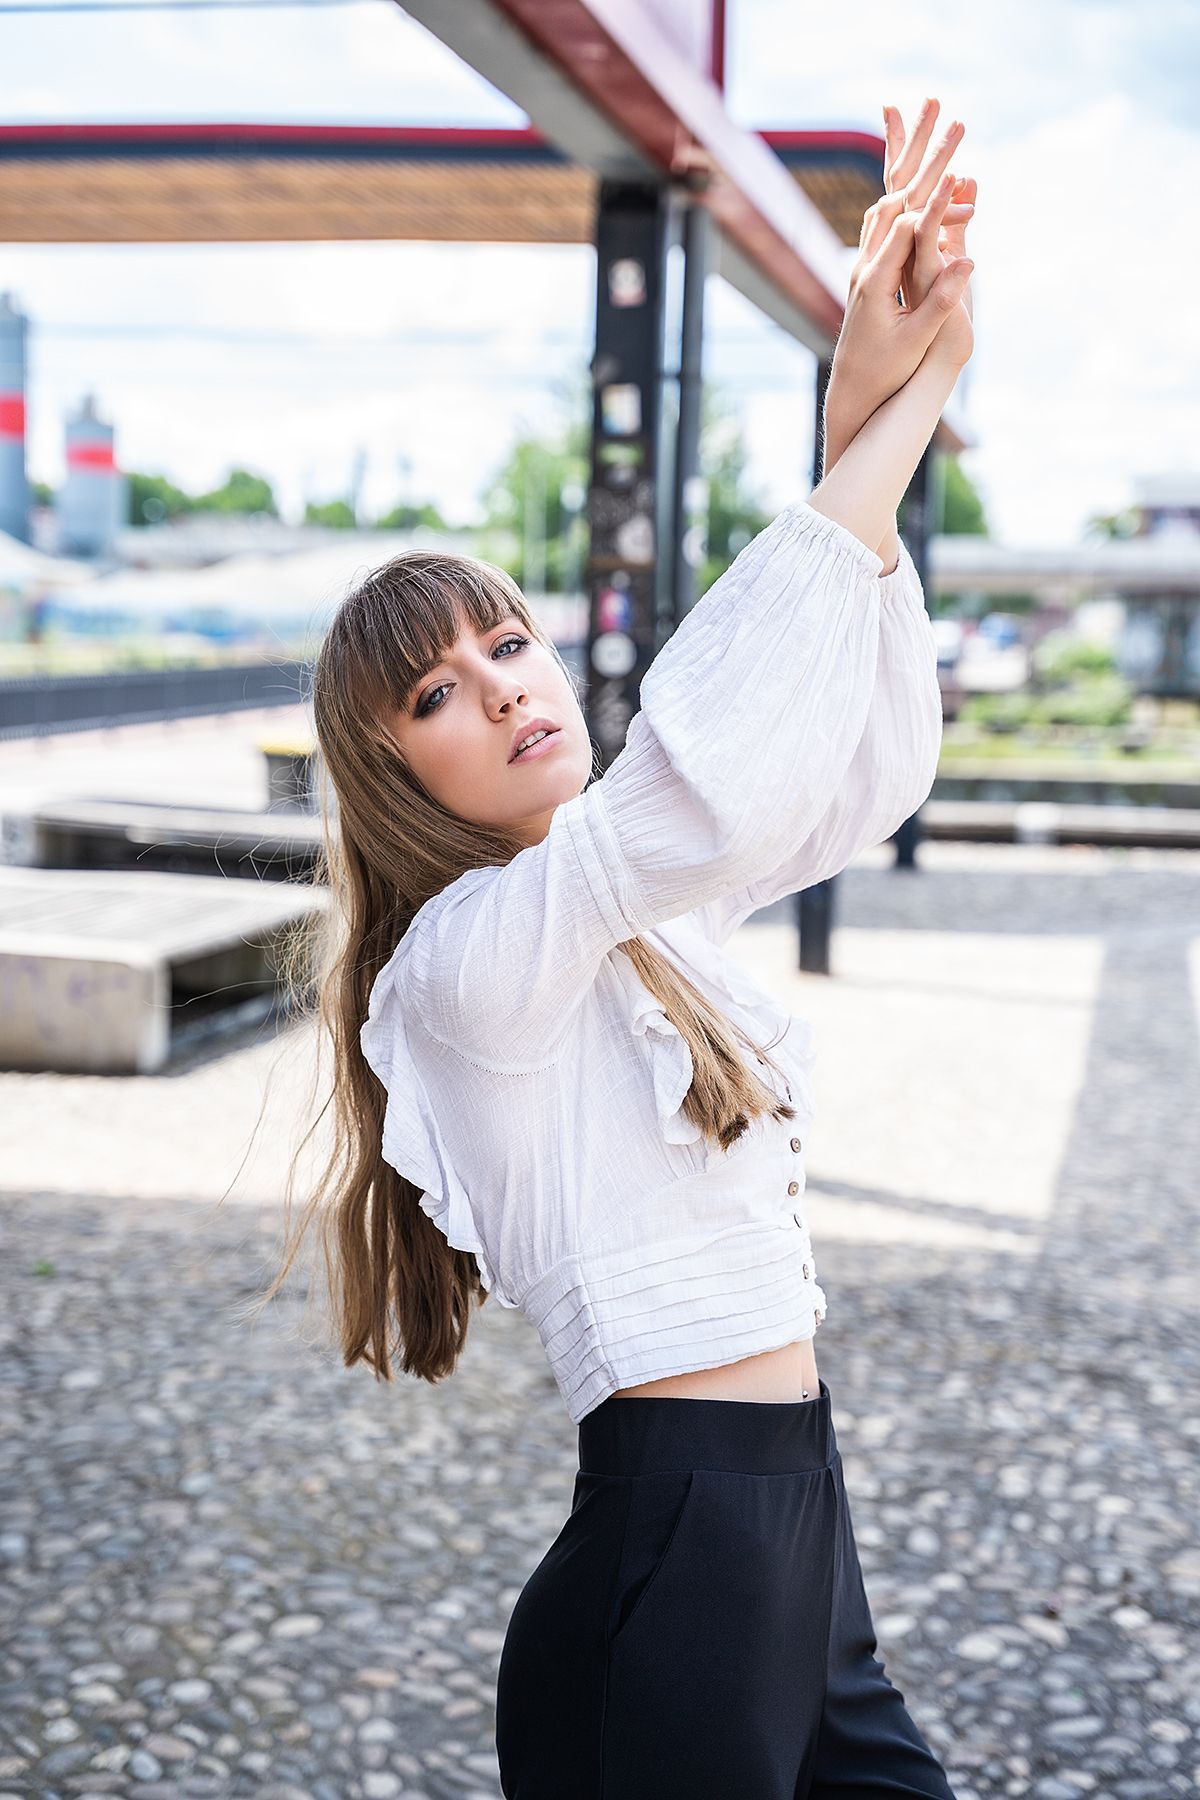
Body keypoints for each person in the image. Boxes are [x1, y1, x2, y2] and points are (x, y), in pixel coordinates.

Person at [265, 95, 976, 1800]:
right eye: (436, 693)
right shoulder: (462, 969)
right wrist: (904, 409)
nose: (504, 683)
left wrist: (865, 382)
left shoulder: (645, 921)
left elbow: (845, 773)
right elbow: (684, 789)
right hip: (668, 1568)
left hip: (796, 1527)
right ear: (393, 774)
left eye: (505, 640)